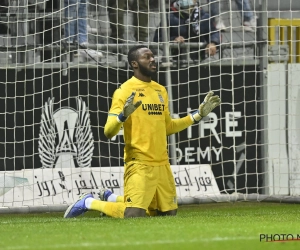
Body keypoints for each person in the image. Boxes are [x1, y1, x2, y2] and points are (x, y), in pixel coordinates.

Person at [63, 45, 221, 219]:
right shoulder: (124, 91)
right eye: (147, 57)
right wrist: (123, 116)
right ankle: (89, 202)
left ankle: (112, 198)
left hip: (162, 164)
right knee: (134, 214)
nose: (153, 59)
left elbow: (167, 127)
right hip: (139, 162)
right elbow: (108, 132)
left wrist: (197, 116)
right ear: (134, 64)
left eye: (153, 56)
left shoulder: (160, 90)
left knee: (167, 214)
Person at [154, 0, 221, 61]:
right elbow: (157, 39)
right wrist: (173, 40)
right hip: (175, 62)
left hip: (198, 61)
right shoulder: (169, 17)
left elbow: (213, 32)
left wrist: (213, 43)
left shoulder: (204, 17)